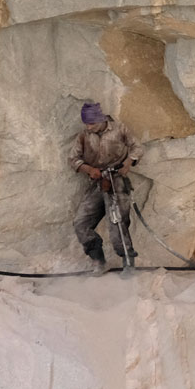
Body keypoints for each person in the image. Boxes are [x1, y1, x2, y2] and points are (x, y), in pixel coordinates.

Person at [70, 101, 142, 272]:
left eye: (91, 123)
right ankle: (98, 260)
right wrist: (88, 169)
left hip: (116, 181)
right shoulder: (83, 136)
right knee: (81, 222)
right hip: (97, 181)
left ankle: (128, 261)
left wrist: (128, 162)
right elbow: (73, 158)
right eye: (86, 123)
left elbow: (137, 147)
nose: (88, 126)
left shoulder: (119, 129)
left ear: (101, 120)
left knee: (117, 222)